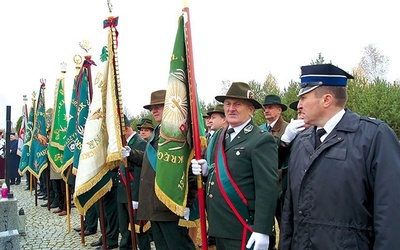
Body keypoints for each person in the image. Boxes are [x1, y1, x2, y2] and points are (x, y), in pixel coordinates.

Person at [279, 64, 400, 249]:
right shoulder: (302, 142)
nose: (299, 105)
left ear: (326, 100)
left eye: (303, 97)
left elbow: (390, 212)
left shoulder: (373, 136)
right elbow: (289, 210)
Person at [192, 82, 278, 250]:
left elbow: (267, 188)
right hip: (220, 225)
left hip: (243, 226)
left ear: (251, 110)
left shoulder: (261, 139)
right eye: (228, 104)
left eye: (238, 104)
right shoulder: (219, 136)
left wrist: (262, 229)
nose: (231, 108)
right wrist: (205, 171)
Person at [131, 89, 197, 250]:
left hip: (170, 203)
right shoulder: (159, 132)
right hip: (154, 204)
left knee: (178, 246)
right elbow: (149, 162)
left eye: (159, 106)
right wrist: (130, 154)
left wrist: (187, 203)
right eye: (152, 108)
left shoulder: (177, 133)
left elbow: (187, 169)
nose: (153, 110)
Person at [118, 115, 151, 250]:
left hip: (134, 191)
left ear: (125, 129)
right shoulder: (123, 143)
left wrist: (137, 196)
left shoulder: (140, 143)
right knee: (124, 225)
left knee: (139, 228)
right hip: (122, 191)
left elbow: (140, 173)